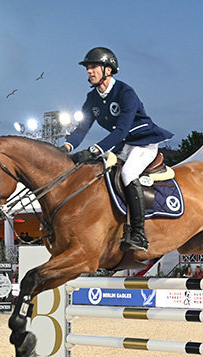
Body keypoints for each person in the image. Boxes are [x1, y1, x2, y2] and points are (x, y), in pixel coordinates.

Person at [62, 47, 173, 253]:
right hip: (122, 146)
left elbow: (122, 130)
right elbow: (82, 128)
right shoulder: (92, 98)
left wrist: (95, 149)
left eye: (93, 66)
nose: (89, 71)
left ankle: (138, 233)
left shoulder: (125, 93)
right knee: (98, 172)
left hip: (143, 143)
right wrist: (66, 147)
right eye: (88, 67)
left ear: (108, 69)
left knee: (129, 172)